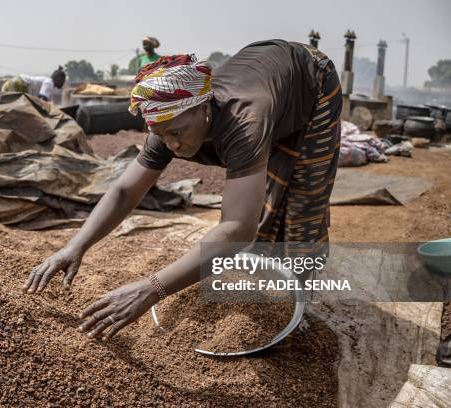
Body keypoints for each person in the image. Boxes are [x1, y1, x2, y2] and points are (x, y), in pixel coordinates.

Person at [23, 40, 342, 342]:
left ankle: (299, 307)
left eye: (178, 132)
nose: (172, 144)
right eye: (162, 136)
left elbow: (236, 227)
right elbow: (124, 192)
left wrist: (152, 289)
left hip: (311, 83)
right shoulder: (167, 118)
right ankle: (263, 292)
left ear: (204, 108)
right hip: (266, 81)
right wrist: (75, 246)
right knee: (261, 211)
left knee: (300, 203)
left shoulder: (244, 121)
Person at [1, 66, 66, 101]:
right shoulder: (50, 83)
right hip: (20, 84)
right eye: (63, 80)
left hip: (9, 84)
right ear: (58, 79)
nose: (63, 83)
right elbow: (42, 100)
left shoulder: (47, 81)